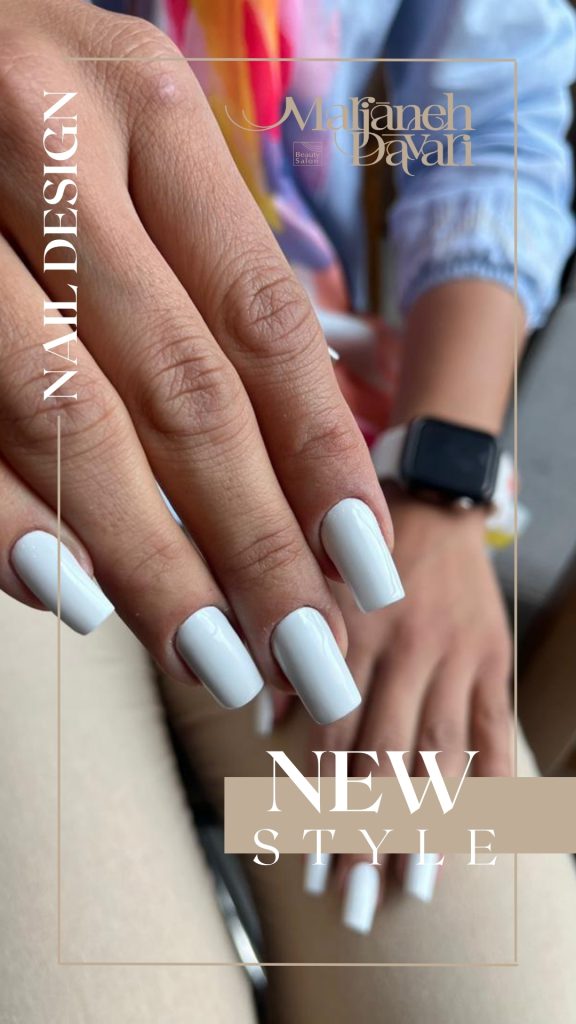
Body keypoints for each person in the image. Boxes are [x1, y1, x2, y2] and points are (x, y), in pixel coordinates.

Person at [1, 0, 575, 1021]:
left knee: (520, 996)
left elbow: (497, 118)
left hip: (331, 486)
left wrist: (442, 490)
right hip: (24, 471)